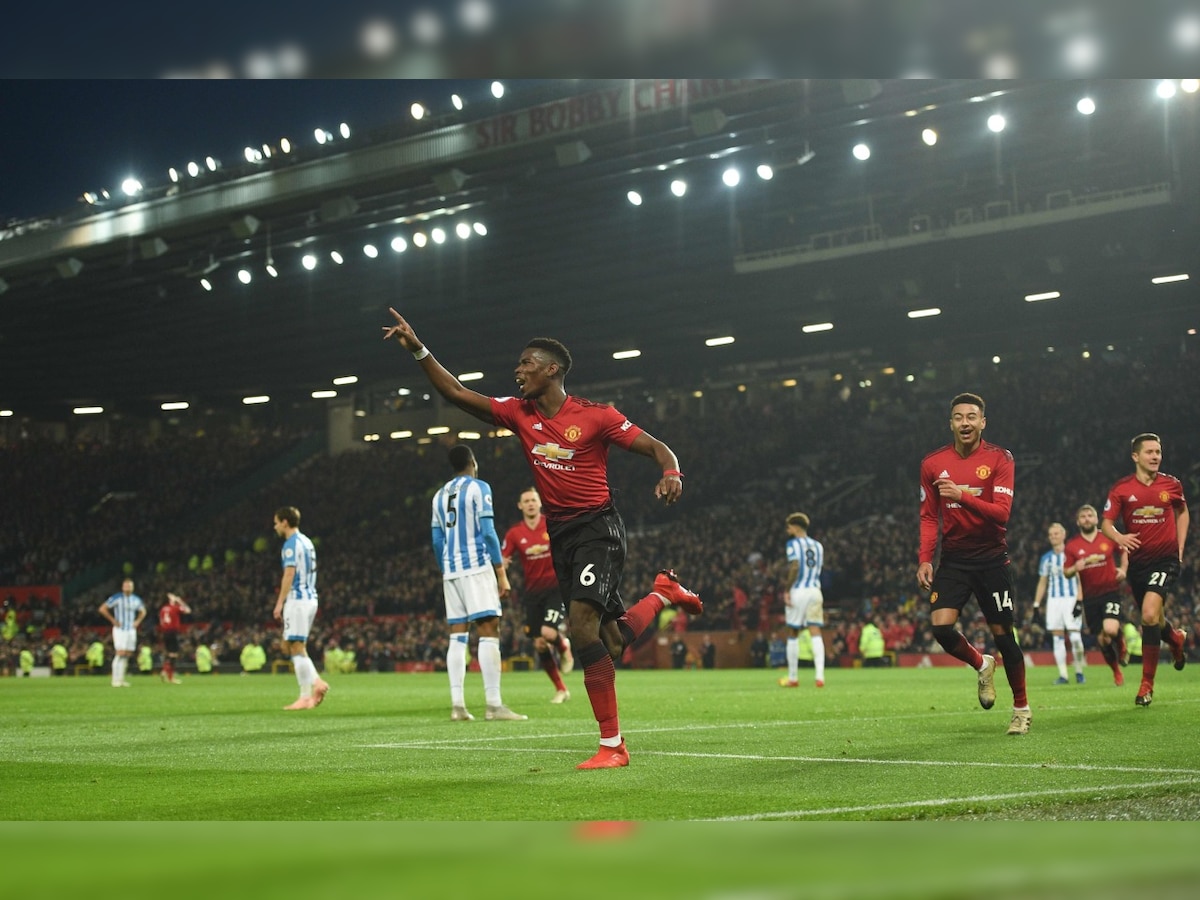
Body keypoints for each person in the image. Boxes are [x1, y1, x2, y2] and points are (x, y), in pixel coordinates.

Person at [383, 310, 703, 769]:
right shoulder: (519, 414)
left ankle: (613, 747)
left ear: (551, 369)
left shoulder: (596, 416)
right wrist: (418, 348)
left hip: (598, 528)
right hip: (562, 536)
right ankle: (662, 592)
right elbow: (456, 392)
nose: (518, 371)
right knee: (609, 643)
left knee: (580, 627)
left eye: (526, 363)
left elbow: (657, 446)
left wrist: (670, 470)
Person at [917, 392, 1031, 736]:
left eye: (971, 417)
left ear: (982, 422)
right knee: (940, 628)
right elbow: (927, 516)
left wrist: (962, 496)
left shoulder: (1000, 459)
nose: (965, 423)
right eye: (958, 417)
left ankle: (1021, 709)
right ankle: (982, 665)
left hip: (992, 560)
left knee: (1003, 636)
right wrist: (924, 559)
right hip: (953, 560)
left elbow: (1001, 515)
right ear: (950, 423)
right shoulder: (932, 463)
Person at [431, 444, 526, 723]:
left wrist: (446, 568)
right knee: (488, 629)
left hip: (451, 572)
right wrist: (501, 572)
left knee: (457, 636)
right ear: (473, 462)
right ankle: (494, 705)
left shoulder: (438, 496)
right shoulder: (479, 488)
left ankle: (457, 706)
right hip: (476, 568)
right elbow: (488, 532)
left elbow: (437, 541)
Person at [1100, 433, 1189, 707]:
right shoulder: (1122, 489)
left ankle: (1145, 686)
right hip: (1139, 564)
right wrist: (1120, 538)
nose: (1155, 456)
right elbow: (1106, 523)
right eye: (1149, 452)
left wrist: (1180, 549)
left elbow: (1182, 512)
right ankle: (1175, 639)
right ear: (1135, 456)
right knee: (1155, 620)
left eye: (1158, 452)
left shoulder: (1171, 484)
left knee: (1149, 613)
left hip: (1165, 560)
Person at [502, 486, 574, 703]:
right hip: (532, 594)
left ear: (539, 503)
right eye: (526, 501)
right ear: (520, 506)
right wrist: (502, 565)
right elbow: (504, 556)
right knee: (540, 644)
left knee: (549, 634)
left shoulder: (551, 523)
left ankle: (563, 646)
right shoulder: (515, 533)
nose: (531, 504)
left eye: (534, 500)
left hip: (555, 588)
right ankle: (561, 689)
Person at [272, 506, 331, 710]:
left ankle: (314, 686)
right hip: (310, 597)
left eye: (277, 522)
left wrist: (280, 602)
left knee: (295, 646)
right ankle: (307, 694)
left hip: (298, 599)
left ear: (285, 522)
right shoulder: (307, 542)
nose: (275, 526)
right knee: (289, 645)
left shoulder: (291, 544)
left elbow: (289, 574)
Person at [1063, 504, 1129, 686]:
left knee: (1110, 629)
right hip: (1090, 598)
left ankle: (1120, 640)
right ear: (1078, 521)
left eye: (1089, 515)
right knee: (1102, 639)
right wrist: (1074, 568)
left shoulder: (1107, 536)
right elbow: (1065, 572)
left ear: (1096, 519)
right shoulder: (1073, 546)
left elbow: (1124, 551)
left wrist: (1123, 569)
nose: (1086, 518)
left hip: (1110, 592)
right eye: (1083, 516)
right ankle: (1116, 670)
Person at [1031, 522, 1085, 685]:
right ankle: (1063, 675)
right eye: (1051, 534)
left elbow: (1081, 579)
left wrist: (1080, 600)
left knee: (1075, 637)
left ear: (1063, 535)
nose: (1053, 536)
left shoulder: (1073, 553)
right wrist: (1036, 604)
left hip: (1071, 598)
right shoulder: (1046, 558)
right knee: (1057, 639)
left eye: (1056, 533)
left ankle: (1079, 671)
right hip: (1054, 601)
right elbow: (1042, 581)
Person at [778, 512, 826, 689]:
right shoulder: (818, 546)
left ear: (796, 527)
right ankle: (820, 677)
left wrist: (787, 589)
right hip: (815, 590)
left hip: (799, 590)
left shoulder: (792, 544)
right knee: (815, 631)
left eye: (789, 526)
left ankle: (793, 678)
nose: (787, 529)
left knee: (793, 632)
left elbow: (796, 565)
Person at [97, 578, 146, 688]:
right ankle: (115, 680)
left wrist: (137, 621)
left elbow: (143, 611)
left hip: (131, 630)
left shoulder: (135, 599)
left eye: (130, 586)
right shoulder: (117, 597)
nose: (128, 588)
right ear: (122, 587)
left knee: (127, 654)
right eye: (126, 586)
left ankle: (121, 679)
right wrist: (112, 620)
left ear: (133, 587)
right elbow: (102, 608)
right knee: (120, 653)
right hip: (120, 629)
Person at [157, 591, 191, 684]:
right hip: (172, 632)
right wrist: (180, 601)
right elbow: (188, 610)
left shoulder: (163, 609)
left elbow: (161, 622)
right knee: (174, 654)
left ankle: (165, 672)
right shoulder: (174, 608)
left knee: (169, 653)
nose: (174, 597)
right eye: (172, 596)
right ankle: (169, 675)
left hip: (165, 632)